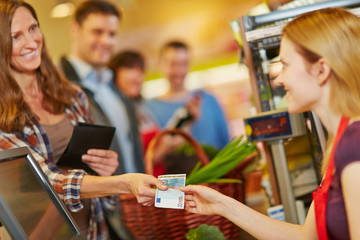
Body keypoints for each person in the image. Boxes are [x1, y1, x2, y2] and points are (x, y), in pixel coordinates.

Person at [181, 7, 360, 240]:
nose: (279, 78)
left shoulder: (354, 146)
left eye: (285, 64)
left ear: (321, 70)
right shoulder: (338, 143)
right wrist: (222, 206)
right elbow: (306, 236)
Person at [0, 1, 167, 239]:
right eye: (16, 36)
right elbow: (49, 181)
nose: (31, 41)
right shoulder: (3, 117)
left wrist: (105, 169)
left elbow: (95, 178)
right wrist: (124, 182)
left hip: (97, 231)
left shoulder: (73, 95)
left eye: (33, 28)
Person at [59, 0, 144, 176]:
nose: (106, 41)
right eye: (97, 32)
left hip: (131, 200)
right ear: (75, 29)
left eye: (112, 34)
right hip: (93, 200)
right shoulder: (58, 86)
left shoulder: (114, 86)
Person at [108, 50, 201, 177]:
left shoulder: (143, 111)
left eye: (140, 70)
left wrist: (187, 121)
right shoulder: (113, 113)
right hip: (139, 190)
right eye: (130, 68)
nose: (138, 75)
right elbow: (128, 167)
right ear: (114, 73)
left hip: (158, 185)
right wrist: (162, 150)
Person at [144, 41, 230, 150]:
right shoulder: (149, 110)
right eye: (173, 64)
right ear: (160, 65)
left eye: (184, 63)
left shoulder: (209, 100)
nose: (179, 70)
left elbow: (226, 142)